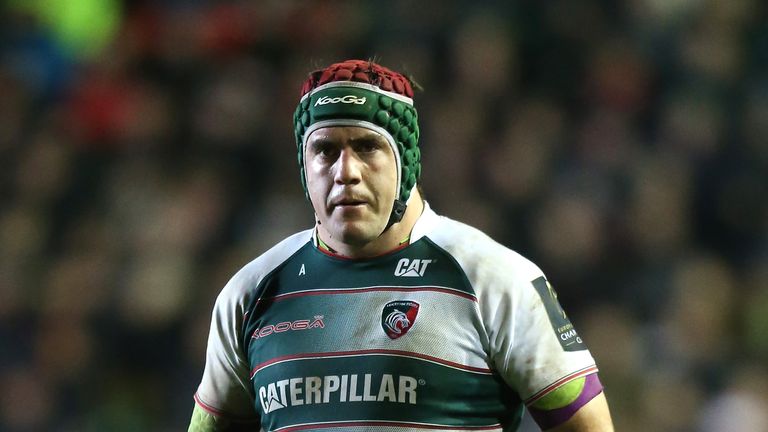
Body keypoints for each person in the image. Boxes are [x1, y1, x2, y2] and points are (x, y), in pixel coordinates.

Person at [188, 59, 614, 432]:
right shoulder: (249, 293)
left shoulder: (496, 279)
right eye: (325, 150)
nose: (345, 172)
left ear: (406, 160)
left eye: (367, 146)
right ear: (304, 166)